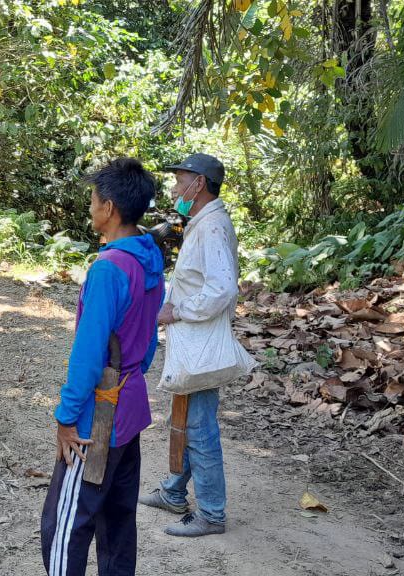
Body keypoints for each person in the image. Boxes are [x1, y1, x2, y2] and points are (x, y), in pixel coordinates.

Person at [41, 158, 165, 576]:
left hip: (100, 416)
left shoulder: (109, 269)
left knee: (65, 526)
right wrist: (132, 370)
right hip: (130, 407)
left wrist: (66, 416)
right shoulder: (150, 260)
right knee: (116, 521)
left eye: (93, 200)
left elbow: (88, 354)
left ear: (109, 208)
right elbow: (147, 341)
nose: (90, 207)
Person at [139, 153, 240, 538]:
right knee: (184, 418)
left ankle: (212, 514)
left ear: (199, 184)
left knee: (198, 426)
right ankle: (173, 491)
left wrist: (177, 310)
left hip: (200, 340)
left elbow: (222, 288)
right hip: (194, 339)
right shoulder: (202, 223)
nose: (176, 187)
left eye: (180, 180)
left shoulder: (212, 227)